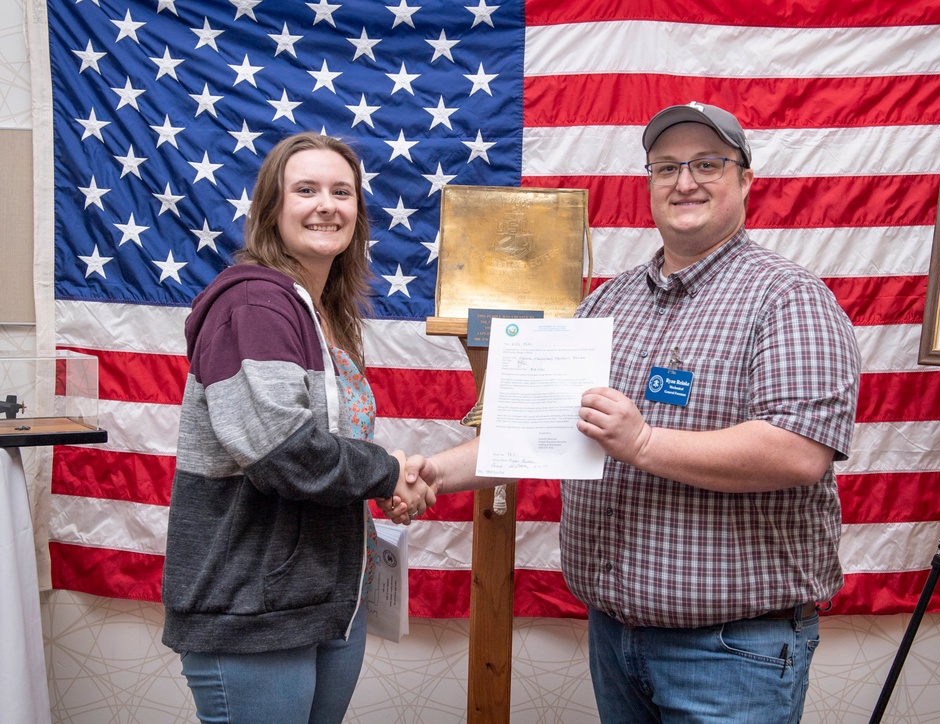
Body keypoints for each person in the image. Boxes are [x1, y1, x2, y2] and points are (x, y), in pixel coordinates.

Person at [396, 102, 861, 723]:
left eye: (707, 164)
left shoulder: (789, 300)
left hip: (730, 652)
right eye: (665, 168)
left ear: (745, 179)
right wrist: (433, 472)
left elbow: (799, 452)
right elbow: (538, 433)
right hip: (615, 639)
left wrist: (642, 443)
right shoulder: (606, 304)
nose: (684, 182)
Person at [161, 131, 435, 724]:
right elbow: (284, 452)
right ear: (271, 209)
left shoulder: (322, 313)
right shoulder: (254, 306)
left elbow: (331, 452)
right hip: (253, 607)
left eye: (342, 192)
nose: (326, 205)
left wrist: (383, 478)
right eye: (305, 189)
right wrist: (388, 472)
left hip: (328, 594)